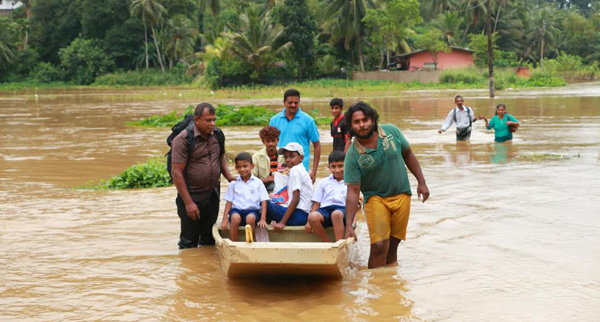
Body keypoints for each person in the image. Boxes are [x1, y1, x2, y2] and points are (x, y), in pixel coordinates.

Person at [343, 102, 430, 269]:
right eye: (357, 122)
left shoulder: (391, 131)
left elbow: (408, 154)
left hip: (402, 194)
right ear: (351, 126)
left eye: (365, 120)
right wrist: (349, 226)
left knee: (393, 244)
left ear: (373, 119)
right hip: (376, 198)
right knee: (379, 246)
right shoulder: (353, 155)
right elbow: (353, 192)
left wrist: (421, 182)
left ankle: (388, 285)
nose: (362, 125)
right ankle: (374, 286)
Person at [171, 102, 235, 249]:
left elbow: (221, 156)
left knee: (209, 239)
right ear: (197, 119)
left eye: (214, 120)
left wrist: (229, 176)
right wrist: (188, 203)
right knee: (188, 242)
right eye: (208, 120)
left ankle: (205, 268)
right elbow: (176, 172)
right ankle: (189, 269)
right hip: (191, 196)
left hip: (212, 195)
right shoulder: (183, 140)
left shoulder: (217, 135)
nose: (212, 124)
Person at [269, 89, 321, 182]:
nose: (293, 105)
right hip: (280, 168)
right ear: (284, 102)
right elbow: (269, 145)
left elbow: (317, 145)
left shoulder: (308, 121)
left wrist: (314, 171)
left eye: (296, 103)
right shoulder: (274, 120)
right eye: (290, 102)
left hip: (302, 168)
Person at [220, 152, 269, 241]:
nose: (242, 169)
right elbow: (229, 202)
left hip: (252, 211)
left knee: (250, 219)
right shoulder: (234, 184)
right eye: (239, 167)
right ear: (236, 168)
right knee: (235, 218)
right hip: (237, 211)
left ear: (252, 166)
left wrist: (263, 219)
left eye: (245, 166)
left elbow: (264, 201)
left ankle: (251, 242)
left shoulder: (258, 183)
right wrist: (224, 220)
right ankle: (233, 244)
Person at [266, 142, 313, 231]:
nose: (287, 160)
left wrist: (282, 222)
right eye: (286, 157)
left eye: (292, 156)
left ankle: (265, 232)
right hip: (304, 215)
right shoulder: (301, 170)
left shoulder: (295, 170)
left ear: (301, 158)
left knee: (265, 204)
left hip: (299, 216)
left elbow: (296, 198)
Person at [306, 150, 347, 242]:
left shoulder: (350, 182)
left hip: (342, 211)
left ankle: (339, 243)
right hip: (325, 210)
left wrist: (352, 221)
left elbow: (354, 204)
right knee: (312, 216)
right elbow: (317, 203)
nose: (337, 170)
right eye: (333, 167)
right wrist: (308, 222)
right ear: (329, 167)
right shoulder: (323, 182)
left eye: (340, 166)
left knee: (336, 214)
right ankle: (327, 243)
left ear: (347, 165)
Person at [252, 126, 285, 192]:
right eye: (268, 141)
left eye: (273, 140)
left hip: (282, 187)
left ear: (277, 140)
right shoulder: (256, 157)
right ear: (263, 141)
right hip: (262, 187)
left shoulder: (284, 155)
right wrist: (268, 180)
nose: (271, 144)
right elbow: (251, 179)